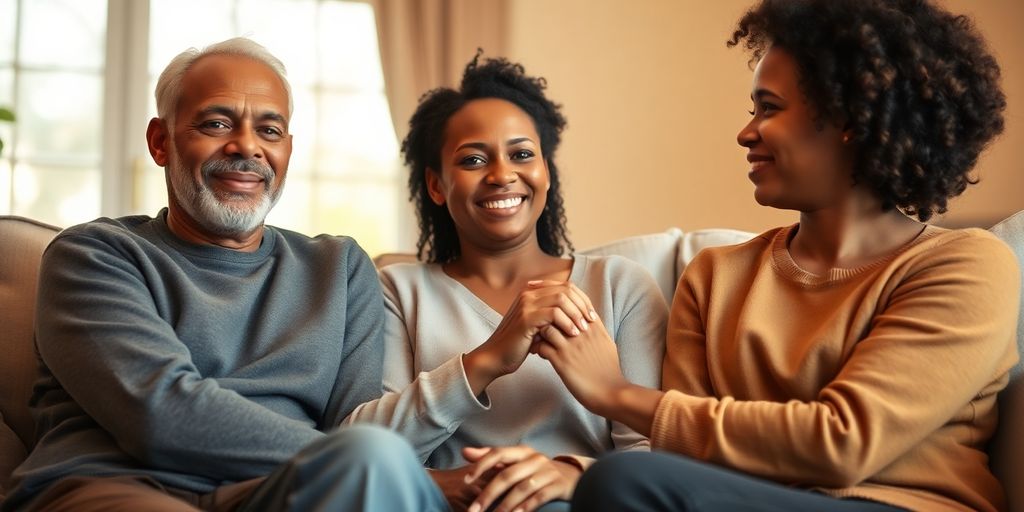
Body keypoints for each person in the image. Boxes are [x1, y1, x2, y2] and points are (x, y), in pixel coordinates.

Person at [530, 1, 1020, 511]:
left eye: (769, 108)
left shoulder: (965, 265)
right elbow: (691, 465)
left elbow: (843, 443)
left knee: (623, 482)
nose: (746, 133)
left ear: (847, 117)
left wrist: (613, 393)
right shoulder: (715, 276)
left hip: (898, 506)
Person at [1, 37, 445, 512]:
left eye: (270, 131)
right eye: (216, 124)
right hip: (118, 487)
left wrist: (381, 465)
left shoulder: (339, 269)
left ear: (288, 150)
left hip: (281, 494)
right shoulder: (94, 255)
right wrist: (416, 478)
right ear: (160, 141)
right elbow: (161, 417)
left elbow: (353, 433)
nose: (247, 147)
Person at [347, 54, 667, 512]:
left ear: (545, 172)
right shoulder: (396, 290)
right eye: (474, 159)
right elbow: (366, 448)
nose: (501, 175)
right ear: (437, 186)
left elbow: (656, 448)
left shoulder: (621, 286)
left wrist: (571, 474)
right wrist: (488, 359)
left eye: (521, 154)